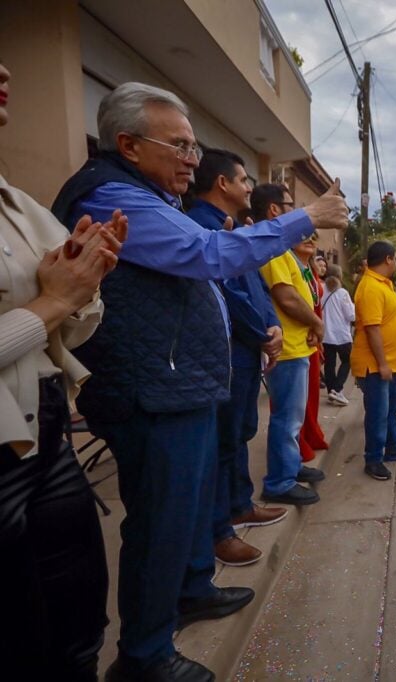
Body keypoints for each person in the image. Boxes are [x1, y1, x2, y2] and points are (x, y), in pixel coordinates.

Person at [49, 81, 347, 681]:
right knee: (161, 522)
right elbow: (211, 256)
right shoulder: (115, 197)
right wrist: (306, 216)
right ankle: (145, 656)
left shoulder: (148, 195)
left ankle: (189, 592)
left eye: (194, 146)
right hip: (154, 392)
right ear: (128, 145)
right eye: (179, 146)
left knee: (182, 512)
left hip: (176, 386)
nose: (192, 159)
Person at [0, 59, 127, 681]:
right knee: (18, 636)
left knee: (78, 614)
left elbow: (72, 321)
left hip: (45, 428)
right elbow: (51, 309)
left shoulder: (17, 202)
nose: (4, 67)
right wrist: (51, 302)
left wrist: (83, 280)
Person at [187, 150, 288, 569]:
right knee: (222, 444)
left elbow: (255, 290)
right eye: (243, 179)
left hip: (247, 351)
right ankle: (219, 530)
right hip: (229, 354)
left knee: (240, 434)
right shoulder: (202, 230)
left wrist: (270, 325)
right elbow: (229, 296)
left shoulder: (235, 232)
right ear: (222, 184)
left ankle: (240, 504)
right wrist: (262, 334)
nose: (250, 186)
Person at [255, 189, 327, 507]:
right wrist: (317, 323)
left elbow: (299, 294)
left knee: (293, 418)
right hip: (287, 350)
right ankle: (279, 481)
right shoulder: (273, 248)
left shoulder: (283, 248)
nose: (295, 212)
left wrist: (311, 325)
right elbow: (286, 297)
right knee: (286, 418)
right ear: (274, 210)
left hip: (299, 346)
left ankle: (291, 467)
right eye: (289, 207)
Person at [351, 241, 396, 481]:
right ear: (389, 259)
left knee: (391, 407)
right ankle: (373, 459)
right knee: (378, 412)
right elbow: (372, 329)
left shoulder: (383, 284)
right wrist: (382, 364)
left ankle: (393, 446)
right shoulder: (370, 286)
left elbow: (386, 320)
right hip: (376, 365)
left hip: (389, 363)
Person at [292, 232, 330, 462]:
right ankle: (299, 441)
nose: (310, 239)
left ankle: (311, 433)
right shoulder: (290, 264)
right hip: (299, 337)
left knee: (312, 390)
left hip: (314, 336)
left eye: (313, 235)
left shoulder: (310, 270)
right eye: (303, 235)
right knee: (298, 396)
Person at [322, 274, 355, 405]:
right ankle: (337, 389)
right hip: (342, 335)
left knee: (329, 365)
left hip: (326, 335)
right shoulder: (342, 293)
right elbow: (351, 315)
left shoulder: (322, 291)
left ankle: (331, 390)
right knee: (347, 361)